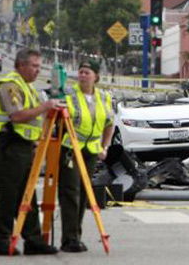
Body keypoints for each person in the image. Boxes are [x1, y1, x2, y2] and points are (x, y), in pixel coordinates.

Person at [0, 48, 60, 256]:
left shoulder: (28, 87)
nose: (38, 70)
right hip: (9, 147)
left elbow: (32, 122)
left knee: (28, 196)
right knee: (7, 196)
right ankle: (1, 241)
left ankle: (33, 239)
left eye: (39, 66)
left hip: (25, 147)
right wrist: (45, 107)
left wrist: (37, 142)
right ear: (21, 65)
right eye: (34, 66)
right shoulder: (10, 85)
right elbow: (18, 116)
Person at [58, 59, 114, 252]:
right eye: (80, 72)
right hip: (70, 150)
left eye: (87, 72)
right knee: (70, 192)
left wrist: (104, 147)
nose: (82, 75)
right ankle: (69, 239)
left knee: (83, 194)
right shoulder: (69, 94)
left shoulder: (103, 97)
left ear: (96, 77)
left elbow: (109, 123)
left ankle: (76, 236)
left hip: (90, 151)